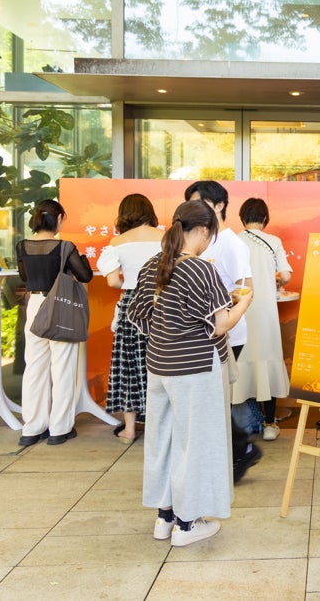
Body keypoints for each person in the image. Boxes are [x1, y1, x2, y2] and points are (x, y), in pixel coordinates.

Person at [127, 200, 253, 547]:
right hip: (196, 368)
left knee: (163, 440)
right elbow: (219, 324)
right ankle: (187, 523)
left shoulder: (153, 266)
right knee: (195, 443)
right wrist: (243, 302)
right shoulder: (200, 269)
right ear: (202, 230)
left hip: (159, 365)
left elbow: (140, 317)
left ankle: (164, 517)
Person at [184, 180, 261, 482]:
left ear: (218, 205)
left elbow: (246, 289)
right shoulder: (199, 239)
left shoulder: (230, 243)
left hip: (226, 333)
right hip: (200, 333)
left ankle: (241, 449)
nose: (194, 211)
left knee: (211, 401)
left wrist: (217, 309)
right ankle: (233, 452)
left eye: (200, 203)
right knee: (207, 401)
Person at [15, 200, 94, 446]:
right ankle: (59, 428)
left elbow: (24, 277)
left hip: (36, 307)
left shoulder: (22, 246)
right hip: (60, 308)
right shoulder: (64, 247)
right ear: (58, 219)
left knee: (34, 369)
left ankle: (32, 428)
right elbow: (85, 275)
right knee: (63, 369)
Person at [98, 193, 164, 444]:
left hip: (132, 305)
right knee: (163, 363)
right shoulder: (166, 238)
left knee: (128, 365)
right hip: (161, 303)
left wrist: (132, 281)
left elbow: (114, 281)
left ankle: (129, 429)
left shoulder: (117, 242)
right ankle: (161, 427)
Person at [235, 197, 292, 441]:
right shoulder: (273, 241)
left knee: (241, 363)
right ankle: (269, 424)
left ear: (242, 217)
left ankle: (244, 424)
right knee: (267, 362)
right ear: (265, 219)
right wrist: (275, 279)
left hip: (240, 311)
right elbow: (287, 275)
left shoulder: (234, 241)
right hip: (266, 312)